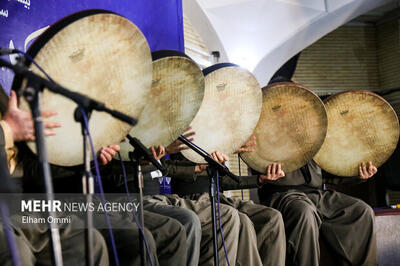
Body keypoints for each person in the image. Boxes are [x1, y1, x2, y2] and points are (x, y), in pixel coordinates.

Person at [143, 130, 286, 266]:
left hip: (217, 196)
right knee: (238, 219)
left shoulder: (214, 135)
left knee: (272, 217)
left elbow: (222, 180)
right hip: (192, 197)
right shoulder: (180, 133)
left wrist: (259, 180)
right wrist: (198, 166)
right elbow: (166, 169)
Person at [0, 89, 109, 266]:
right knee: (15, 253)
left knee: (87, 240)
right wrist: (7, 130)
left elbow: (27, 168)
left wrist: (87, 160)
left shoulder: (14, 81)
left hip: (21, 206)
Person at [248, 153, 377, 265]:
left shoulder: (313, 130)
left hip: (315, 194)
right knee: (304, 212)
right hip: (282, 194)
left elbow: (329, 173)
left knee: (361, 211)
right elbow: (254, 160)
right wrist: (263, 173)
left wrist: (357, 175)